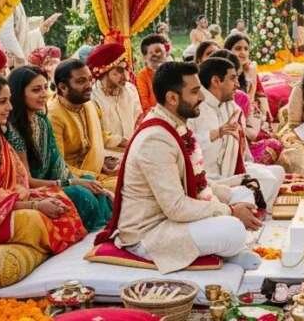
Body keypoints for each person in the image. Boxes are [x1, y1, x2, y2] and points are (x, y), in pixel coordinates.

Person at [95, 61, 262, 274]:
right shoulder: (155, 139)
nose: (202, 97)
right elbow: (176, 207)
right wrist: (229, 210)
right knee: (233, 229)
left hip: (171, 220)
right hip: (150, 233)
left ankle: (227, 248)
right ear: (172, 98)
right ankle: (229, 247)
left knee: (242, 193)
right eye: (194, 92)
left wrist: (228, 197)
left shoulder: (174, 125)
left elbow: (195, 180)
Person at [0, 74, 86, 253]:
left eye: (10, 101)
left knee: (60, 200)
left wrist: (36, 199)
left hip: (2, 202)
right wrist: (34, 205)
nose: (10, 107)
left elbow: (18, 182)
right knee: (35, 220)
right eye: (2, 101)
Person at [6, 66, 113, 231]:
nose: (44, 94)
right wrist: (73, 182)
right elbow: (28, 181)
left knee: (93, 186)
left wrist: (83, 181)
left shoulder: (41, 121)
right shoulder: (14, 131)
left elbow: (57, 164)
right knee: (81, 194)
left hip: (51, 182)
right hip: (30, 190)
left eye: (45, 88)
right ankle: (95, 238)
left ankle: (107, 231)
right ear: (19, 94)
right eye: (36, 90)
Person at [190, 55, 284, 207]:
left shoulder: (231, 106)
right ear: (216, 81)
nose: (238, 84)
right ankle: (246, 214)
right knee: (267, 180)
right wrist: (217, 133)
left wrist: (247, 164)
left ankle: (255, 214)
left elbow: (241, 146)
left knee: (277, 172)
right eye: (233, 78)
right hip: (213, 177)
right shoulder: (199, 109)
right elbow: (191, 146)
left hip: (232, 168)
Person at [48, 60, 119, 191]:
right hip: (74, 179)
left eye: (90, 80)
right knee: (127, 188)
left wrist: (125, 142)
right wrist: (93, 175)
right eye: (81, 81)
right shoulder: (54, 116)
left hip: (97, 172)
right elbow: (58, 165)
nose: (89, 86)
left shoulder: (88, 105)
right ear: (63, 87)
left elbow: (99, 136)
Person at [225, 33, 283, 164]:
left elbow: (256, 99)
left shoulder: (250, 71)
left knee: (276, 144)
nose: (243, 52)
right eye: (238, 48)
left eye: (246, 49)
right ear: (228, 50)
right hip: (232, 126)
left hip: (250, 121)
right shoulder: (222, 73)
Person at [88, 43, 141, 155]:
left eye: (126, 69)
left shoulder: (130, 89)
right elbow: (95, 133)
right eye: (120, 70)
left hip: (134, 150)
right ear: (105, 70)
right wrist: (121, 142)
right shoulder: (92, 98)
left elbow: (139, 118)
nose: (126, 76)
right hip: (108, 156)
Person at [0, 2, 60, 67]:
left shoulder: (16, 1)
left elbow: (21, 33)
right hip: (10, 61)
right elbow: (7, 35)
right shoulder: (6, 1)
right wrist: (20, 58)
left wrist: (40, 30)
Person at [137, 34, 170, 114]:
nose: (156, 55)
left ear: (166, 54)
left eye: (159, 51)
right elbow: (145, 105)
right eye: (151, 53)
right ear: (144, 58)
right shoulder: (143, 76)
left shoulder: (172, 71)